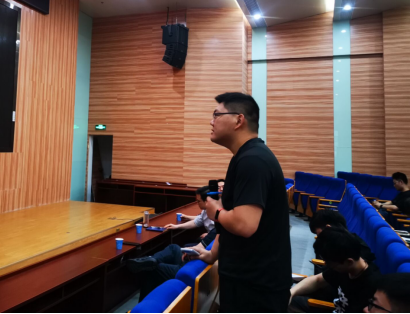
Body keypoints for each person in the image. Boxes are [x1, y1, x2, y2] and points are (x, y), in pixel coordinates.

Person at [199, 92, 292, 313]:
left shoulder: (253, 160)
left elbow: (244, 224)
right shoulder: (245, 157)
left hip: (256, 286)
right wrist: (213, 254)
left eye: (216, 115)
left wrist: (216, 212)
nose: (211, 121)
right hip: (247, 278)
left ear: (238, 120)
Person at [126, 186, 215, 301]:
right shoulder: (215, 224)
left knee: (152, 270)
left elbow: (206, 251)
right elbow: (198, 223)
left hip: (191, 266)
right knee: (174, 247)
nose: (197, 204)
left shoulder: (217, 231)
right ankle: (151, 260)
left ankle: (142, 303)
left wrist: (191, 251)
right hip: (194, 261)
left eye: (198, 201)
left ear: (207, 202)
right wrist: (177, 227)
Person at [289, 227, 380, 314]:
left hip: (331, 308)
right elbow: (317, 280)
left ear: (349, 262)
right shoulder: (345, 265)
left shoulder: (370, 286)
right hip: (332, 308)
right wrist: (291, 293)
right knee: (285, 300)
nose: (329, 267)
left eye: (331, 265)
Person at [310, 210, 376, 265]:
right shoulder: (345, 239)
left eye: (317, 232)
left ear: (328, 227)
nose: (318, 236)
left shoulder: (348, 250)